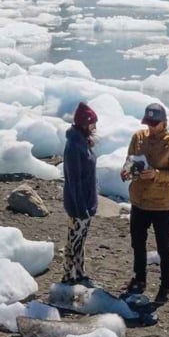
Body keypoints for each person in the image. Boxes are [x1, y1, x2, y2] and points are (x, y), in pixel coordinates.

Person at [121, 102, 169, 304]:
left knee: (163, 247)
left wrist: (157, 175)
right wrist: (126, 170)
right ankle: (139, 279)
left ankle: (165, 286)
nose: (151, 127)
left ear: (164, 123)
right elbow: (130, 160)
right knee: (137, 243)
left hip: (161, 204)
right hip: (139, 200)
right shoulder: (138, 137)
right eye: (148, 123)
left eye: (155, 124)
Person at [60, 102, 99, 286]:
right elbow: (73, 180)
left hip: (86, 203)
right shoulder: (74, 146)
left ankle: (80, 272)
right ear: (85, 123)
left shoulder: (83, 142)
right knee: (73, 241)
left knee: (80, 241)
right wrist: (81, 207)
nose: (95, 127)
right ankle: (68, 276)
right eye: (92, 123)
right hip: (78, 205)